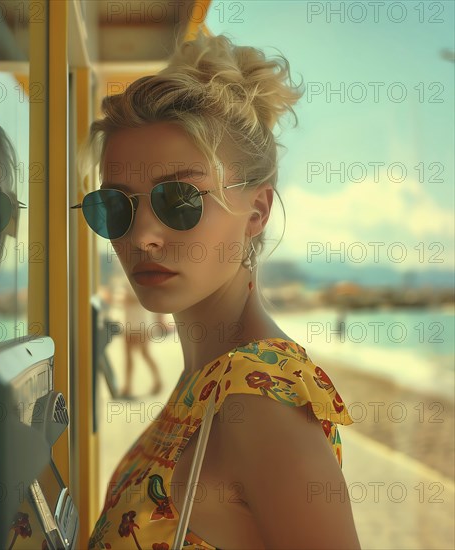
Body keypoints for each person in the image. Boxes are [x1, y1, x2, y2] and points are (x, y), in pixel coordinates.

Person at [77, 31, 360, 549]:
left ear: (257, 211)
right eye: (114, 206)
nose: (142, 237)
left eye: (179, 199)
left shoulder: (257, 402)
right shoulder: (207, 378)